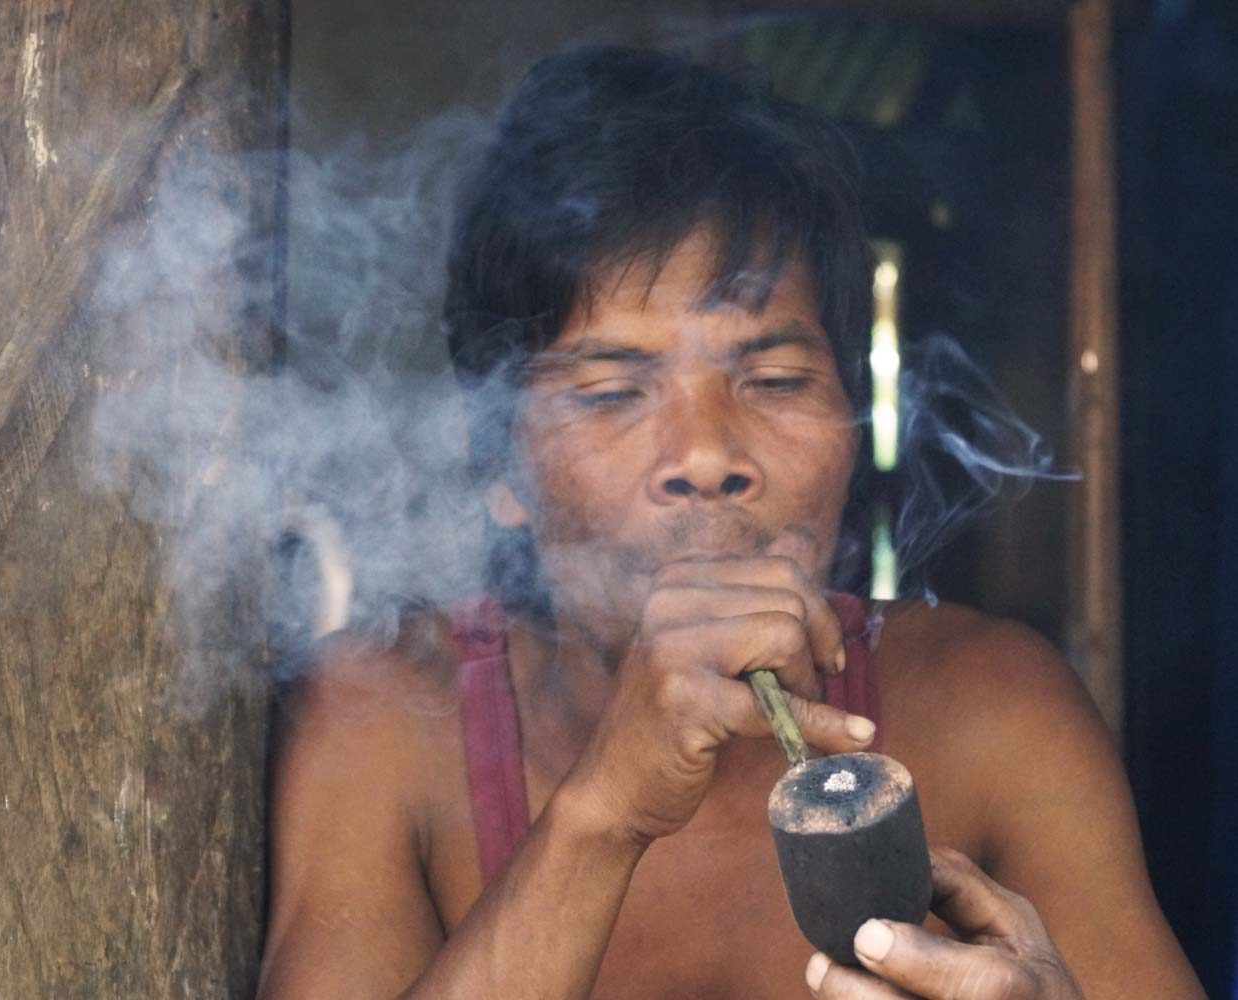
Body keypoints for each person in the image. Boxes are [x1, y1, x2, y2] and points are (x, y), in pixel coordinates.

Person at [257, 46, 1202, 999]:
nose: (707, 457)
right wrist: (607, 812)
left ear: (855, 421)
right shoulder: (382, 727)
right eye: (612, 393)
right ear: (499, 462)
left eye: (778, 380)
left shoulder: (991, 714)